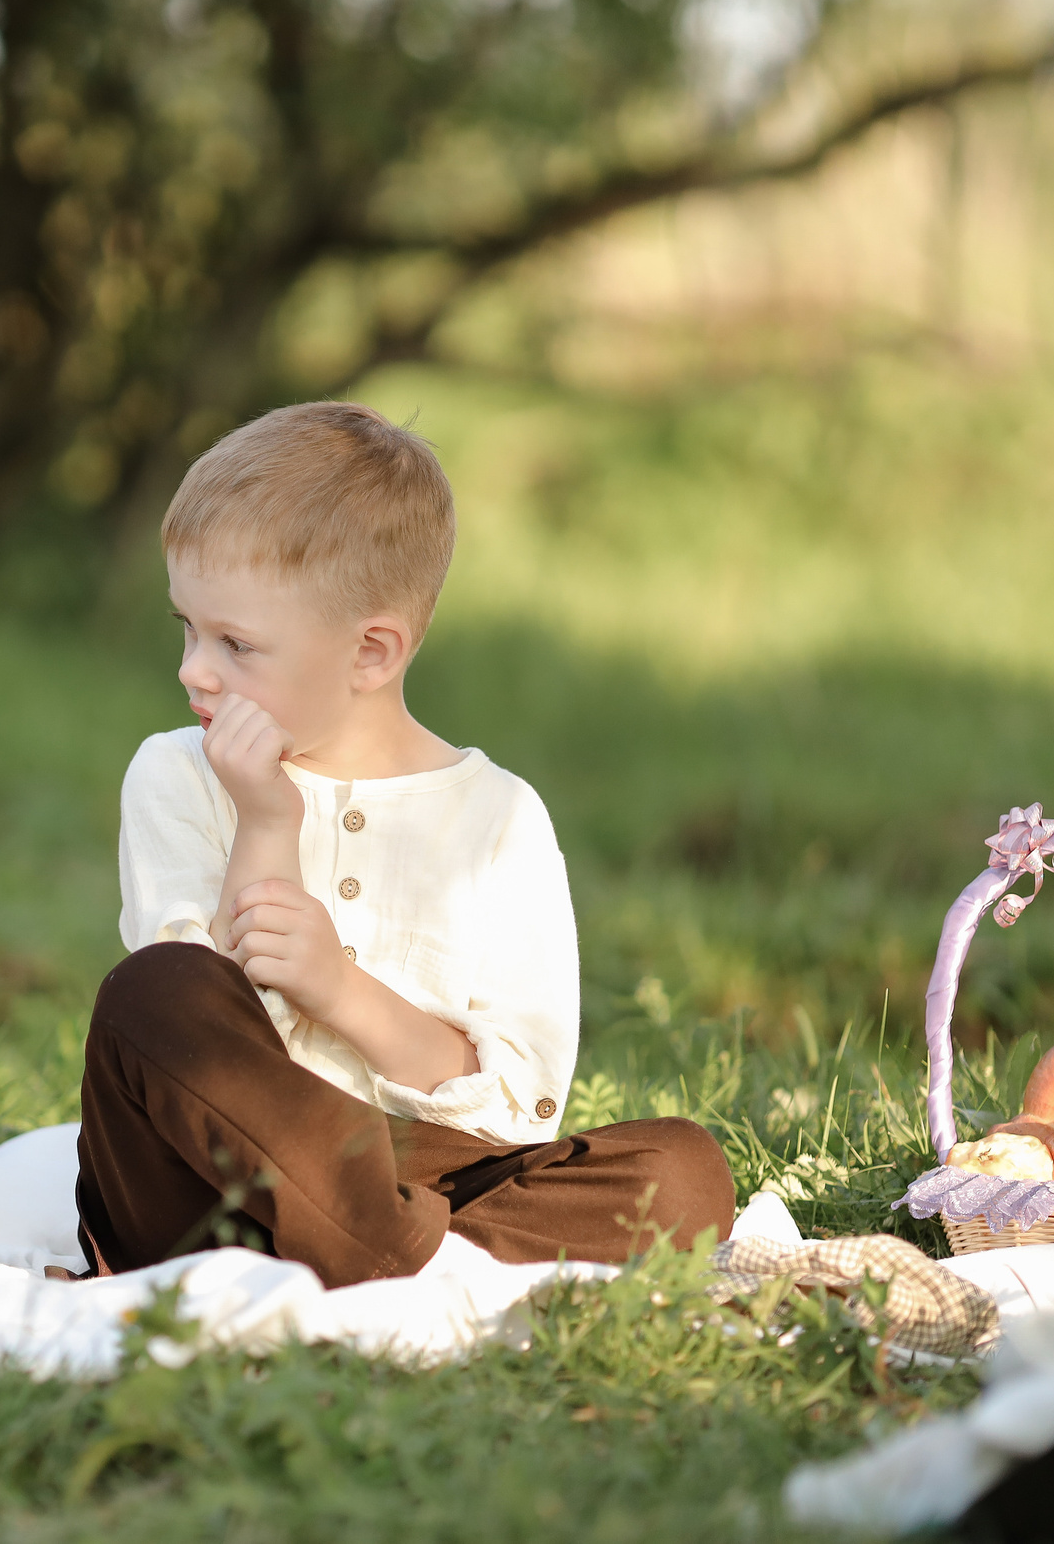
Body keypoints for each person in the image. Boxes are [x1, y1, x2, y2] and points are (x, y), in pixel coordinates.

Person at [70, 402, 734, 1285]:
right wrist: (266, 823)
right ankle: (398, 1260)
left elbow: (514, 1111)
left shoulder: (500, 821)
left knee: (684, 1171)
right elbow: (189, 1055)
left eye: (235, 642)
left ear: (372, 653)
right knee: (149, 992)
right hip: (205, 1191)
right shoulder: (176, 775)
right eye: (186, 627)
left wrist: (341, 990)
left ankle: (357, 1251)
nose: (194, 668)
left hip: (423, 1171)